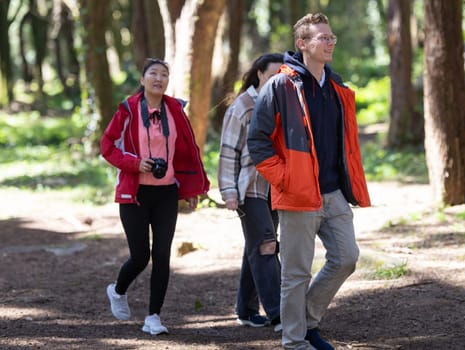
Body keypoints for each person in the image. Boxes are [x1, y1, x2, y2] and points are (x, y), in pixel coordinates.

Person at [247, 13, 371, 350]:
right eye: (322, 38)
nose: (330, 42)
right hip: (297, 195)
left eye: (332, 37)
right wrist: (285, 179)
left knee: (346, 257)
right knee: (296, 274)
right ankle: (295, 341)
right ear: (303, 43)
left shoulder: (336, 86)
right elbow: (257, 141)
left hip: (333, 194)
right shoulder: (280, 85)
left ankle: (306, 320)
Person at [100, 58, 210, 335]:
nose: (158, 79)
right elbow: (107, 146)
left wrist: (191, 189)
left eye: (163, 74)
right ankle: (117, 289)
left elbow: (188, 152)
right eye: (153, 73)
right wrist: (135, 163)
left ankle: (154, 317)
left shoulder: (175, 110)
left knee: (162, 254)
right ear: (143, 79)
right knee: (140, 256)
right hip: (135, 192)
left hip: (166, 192)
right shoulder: (127, 110)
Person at [218, 53, 284, 330]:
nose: (276, 82)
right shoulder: (243, 106)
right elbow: (228, 151)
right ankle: (280, 313)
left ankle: (245, 309)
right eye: (271, 76)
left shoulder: (285, 102)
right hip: (250, 188)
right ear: (258, 74)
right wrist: (229, 191)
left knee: (256, 247)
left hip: (278, 188)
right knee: (267, 245)